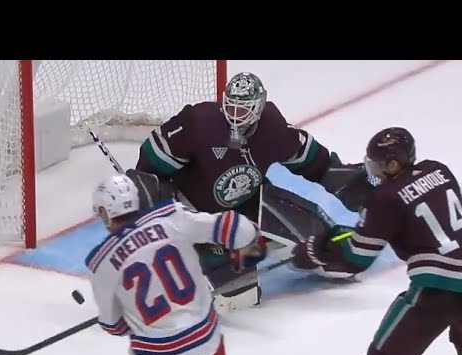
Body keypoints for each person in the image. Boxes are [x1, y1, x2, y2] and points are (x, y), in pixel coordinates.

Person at [127, 71, 376, 313]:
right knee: (238, 293)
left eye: (243, 110)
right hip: (199, 215)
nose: (235, 117)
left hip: (251, 203)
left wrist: (353, 186)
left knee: (326, 247)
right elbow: (151, 165)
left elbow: (317, 163)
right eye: (231, 108)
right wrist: (151, 197)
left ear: (257, 109)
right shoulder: (199, 123)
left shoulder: (273, 128)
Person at [291, 126, 462, 355]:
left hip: (438, 288)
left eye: (380, 165)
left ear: (395, 163)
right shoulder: (440, 170)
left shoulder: (385, 198)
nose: (376, 171)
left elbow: (358, 257)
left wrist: (318, 249)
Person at [86, 174, 266, 355]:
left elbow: (114, 326)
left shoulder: (103, 263)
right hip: (208, 353)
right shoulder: (173, 217)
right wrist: (251, 240)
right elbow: (238, 229)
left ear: (105, 213)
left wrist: (134, 312)